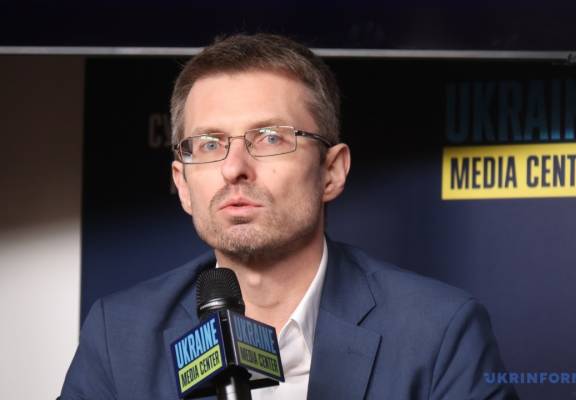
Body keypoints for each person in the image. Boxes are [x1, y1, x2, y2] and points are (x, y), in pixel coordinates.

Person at [60, 33, 518, 399]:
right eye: (210, 144)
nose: (234, 168)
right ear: (182, 184)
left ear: (332, 172)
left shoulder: (439, 332)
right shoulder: (120, 334)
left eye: (270, 137)